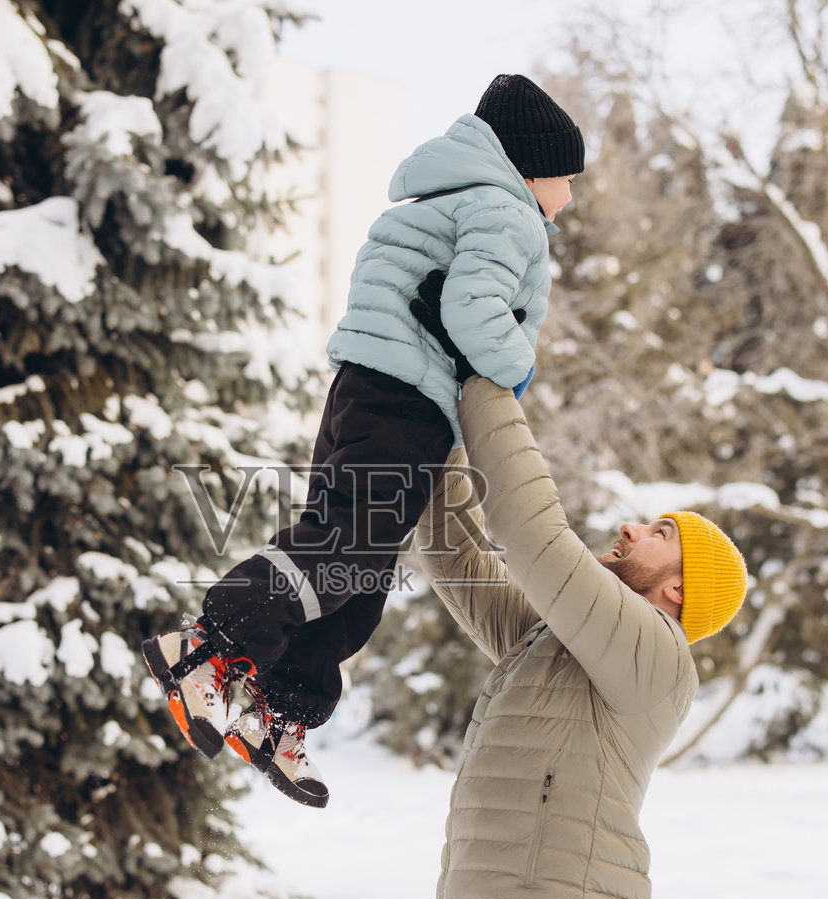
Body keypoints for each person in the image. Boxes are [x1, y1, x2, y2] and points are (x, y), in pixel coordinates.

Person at [141, 75, 585, 808]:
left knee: (359, 571)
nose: (568, 195)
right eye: (567, 178)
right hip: (403, 401)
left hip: (366, 392)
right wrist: (516, 368)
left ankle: (278, 706)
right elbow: (471, 308)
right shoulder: (508, 213)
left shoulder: (432, 203)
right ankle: (207, 644)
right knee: (345, 547)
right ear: (533, 165)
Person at [414, 366, 747, 899]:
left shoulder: (656, 656)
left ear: (680, 588)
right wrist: (428, 404)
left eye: (658, 531)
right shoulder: (551, 638)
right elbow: (453, 548)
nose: (629, 527)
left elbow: (532, 533)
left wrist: (483, 377)